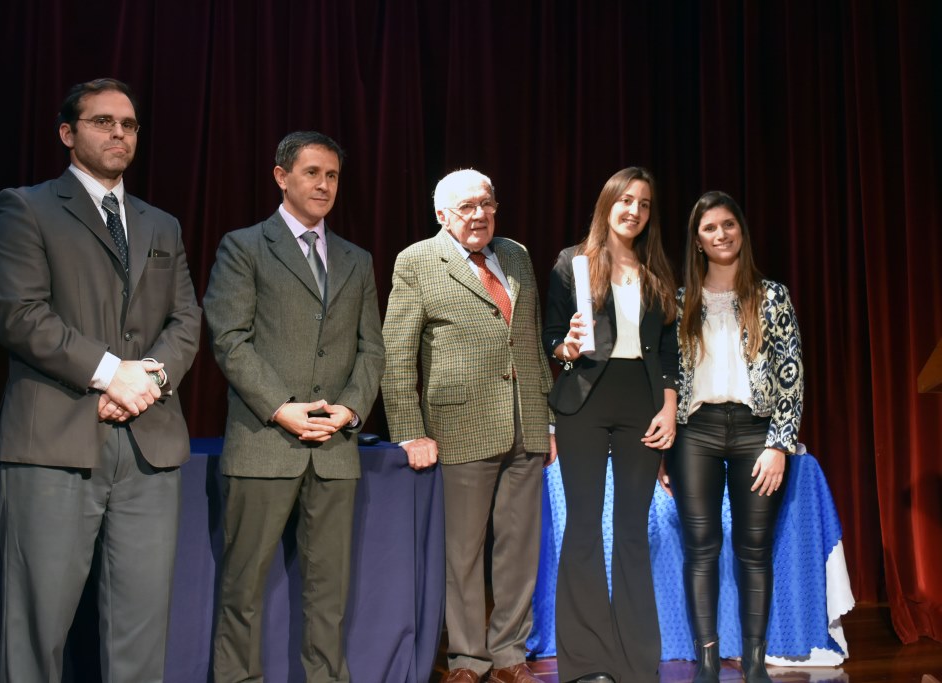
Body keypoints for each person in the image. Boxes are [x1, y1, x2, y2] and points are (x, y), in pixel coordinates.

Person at [0, 78, 202, 683]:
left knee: (141, 631)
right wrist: (112, 376)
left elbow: (186, 320)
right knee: (37, 629)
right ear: (67, 133)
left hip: (148, 444)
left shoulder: (161, 224)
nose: (118, 133)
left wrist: (148, 380)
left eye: (128, 124)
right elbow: (19, 315)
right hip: (56, 442)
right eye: (103, 121)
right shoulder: (25, 207)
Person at [204, 130, 385, 683]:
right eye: (312, 173)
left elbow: (371, 349)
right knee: (243, 589)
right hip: (265, 443)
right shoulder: (244, 246)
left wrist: (350, 410)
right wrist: (282, 407)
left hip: (334, 449)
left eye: (332, 175)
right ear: (282, 176)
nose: (324, 185)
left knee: (328, 594)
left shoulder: (356, 259)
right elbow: (229, 338)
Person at [381, 169, 555, 683]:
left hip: (525, 423)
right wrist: (409, 429)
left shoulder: (517, 254)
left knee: (519, 550)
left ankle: (508, 654)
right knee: (461, 553)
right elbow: (397, 355)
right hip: (459, 428)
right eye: (466, 208)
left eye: (486, 204)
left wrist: (547, 423)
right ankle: (465, 657)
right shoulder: (416, 261)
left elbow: (527, 343)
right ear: (442, 216)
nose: (479, 215)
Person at [543, 167, 678, 683]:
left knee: (632, 533)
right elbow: (552, 336)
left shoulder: (657, 271)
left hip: (641, 404)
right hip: (583, 403)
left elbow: (669, 353)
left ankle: (635, 662)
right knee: (581, 529)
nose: (634, 211)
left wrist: (668, 409)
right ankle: (586, 664)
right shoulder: (571, 263)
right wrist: (566, 347)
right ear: (607, 204)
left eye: (643, 204)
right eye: (625, 200)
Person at [666, 191, 804, 683]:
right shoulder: (679, 300)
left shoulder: (772, 296)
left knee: (754, 548)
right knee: (700, 548)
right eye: (709, 228)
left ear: (741, 230)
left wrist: (779, 443)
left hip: (756, 432)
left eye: (728, 224)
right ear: (697, 241)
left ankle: (752, 663)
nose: (721, 234)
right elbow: (664, 378)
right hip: (694, 433)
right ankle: (706, 663)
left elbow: (791, 376)